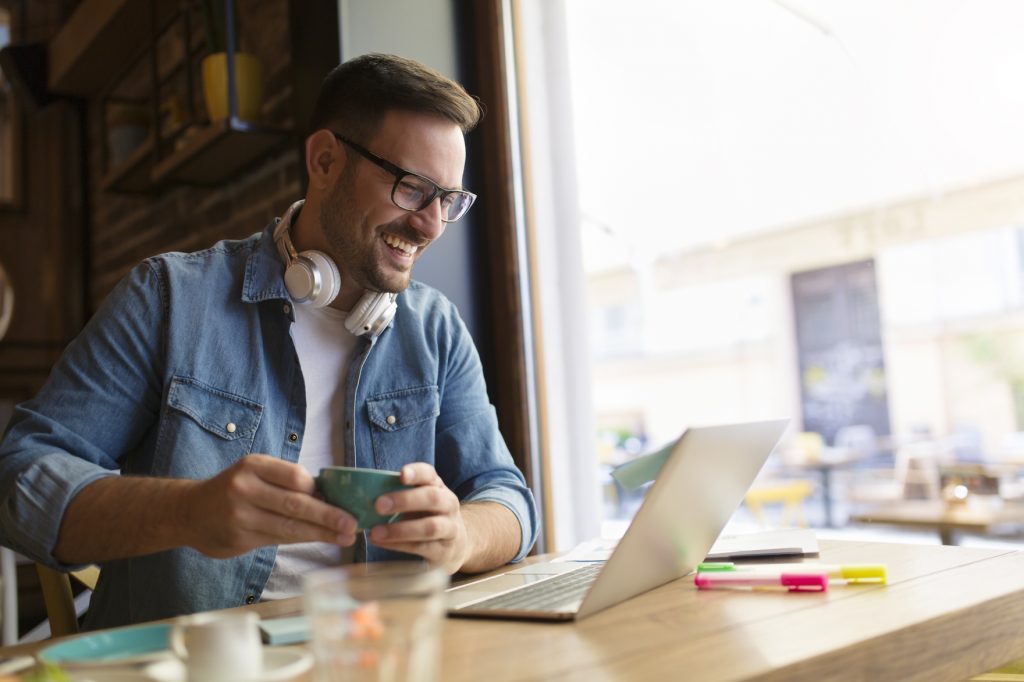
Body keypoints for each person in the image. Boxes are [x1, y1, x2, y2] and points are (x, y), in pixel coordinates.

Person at [0, 53, 539, 630]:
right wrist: (189, 512)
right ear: (325, 161)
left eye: (449, 200)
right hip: (203, 665)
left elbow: (507, 498)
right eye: (412, 189)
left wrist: (461, 535)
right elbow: (20, 478)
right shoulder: (169, 298)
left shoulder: (434, 329)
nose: (431, 224)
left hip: (374, 655)